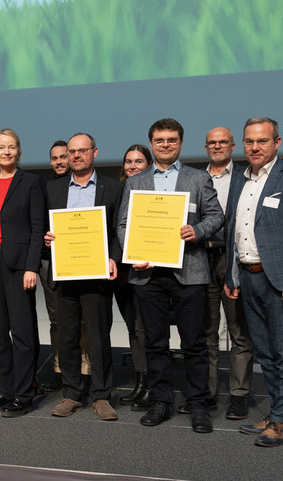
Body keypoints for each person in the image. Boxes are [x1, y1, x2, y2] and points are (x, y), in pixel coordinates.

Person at [116, 118, 224, 434]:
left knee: (195, 343)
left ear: (180, 143)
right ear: (151, 143)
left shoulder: (198, 178)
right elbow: (122, 226)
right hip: (147, 275)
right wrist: (134, 253)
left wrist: (198, 230)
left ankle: (198, 404)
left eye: (172, 140)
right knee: (154, 342)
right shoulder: (136, 182)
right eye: (160, 140)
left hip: (188, 272)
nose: (166, 144)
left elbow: (217, 216)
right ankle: (161, 400)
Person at [224, 116, 283, 447]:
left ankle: (280, 420)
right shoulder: (240, 180)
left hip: (281, 282)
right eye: (249, 141)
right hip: (248, 278)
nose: (255, 147)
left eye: (262, 141)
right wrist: (232, 274)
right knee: (265, 352)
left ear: (276, 142)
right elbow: (233, 232)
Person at [43, 133, 123, 421]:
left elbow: (117, 230)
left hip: (97, 272)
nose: (76, 156)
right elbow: (42, 229)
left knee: (99, 335)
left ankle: (101, 396)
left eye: (82, 151)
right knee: (67, 335)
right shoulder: (53, 189)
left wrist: (114, 258)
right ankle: (72, 394)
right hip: (64, 273)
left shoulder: (112, 187)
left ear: (94, 152)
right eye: (71, 152)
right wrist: (47, 239)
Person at [0, 128, 46, 418]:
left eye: (11, 147)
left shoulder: (31, 182)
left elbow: (37, 227)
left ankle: (25, 394)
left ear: (19, 151)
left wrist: (31, 266)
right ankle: (6, 390)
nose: (6, 152)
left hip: (18, 266)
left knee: (23, 332)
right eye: (1, 147)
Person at [201, 127, 254, 420]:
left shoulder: (246, 177)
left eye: (223, 142)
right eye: (212, 143)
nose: (217, 146)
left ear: (233, 146)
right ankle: (207, 394)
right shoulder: (195, 178)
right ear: (205, 147)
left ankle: (238, 395)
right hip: (202, 260)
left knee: (239, 332)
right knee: (206, 332)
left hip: (234, 260)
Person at [40, 139, 91, 392]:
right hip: (53, 264)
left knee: (83, 320)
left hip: (85, 260)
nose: (60, 161)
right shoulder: (49, 189)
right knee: (57, 320)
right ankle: (60, 369)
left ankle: (85, 368)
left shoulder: (84, 187)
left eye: (64, 156)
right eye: (55, 158)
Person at [114, 144, 152, 409]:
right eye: (129, 161)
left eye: (139, 161)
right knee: (132, 328)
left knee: (144, 329)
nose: (132, 166)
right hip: (122, 272)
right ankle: (140, 382)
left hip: (147, 271)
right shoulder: (118, 192)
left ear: (149, 165)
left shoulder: (154, 194)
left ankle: (150, 383)